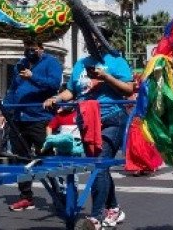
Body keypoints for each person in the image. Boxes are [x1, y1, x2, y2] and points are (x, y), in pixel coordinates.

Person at [44, 45, 133, 229]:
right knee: (102, 166)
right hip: (87, 121)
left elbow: (128, 89)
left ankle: (95, 218)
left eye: (95, 39)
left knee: (98, 165)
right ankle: (114, 208)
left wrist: (106, 77)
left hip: (112, 118)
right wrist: (57, 98)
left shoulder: (117, 61)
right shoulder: (81, 64)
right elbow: (72, 91)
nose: (92, 43)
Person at [3, 40, 63, 211]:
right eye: (26, 46)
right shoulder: (20, 64)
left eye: (33, 47)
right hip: (18, 119)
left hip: (39, 118)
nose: (29, 50)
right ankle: (25, 197)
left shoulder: (51, 62)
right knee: (20, 159)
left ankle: (60, 194)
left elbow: (54, 84)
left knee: (46, 157)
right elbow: (13, 89)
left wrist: (32, 76)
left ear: (41, 48)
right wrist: (5, 110)